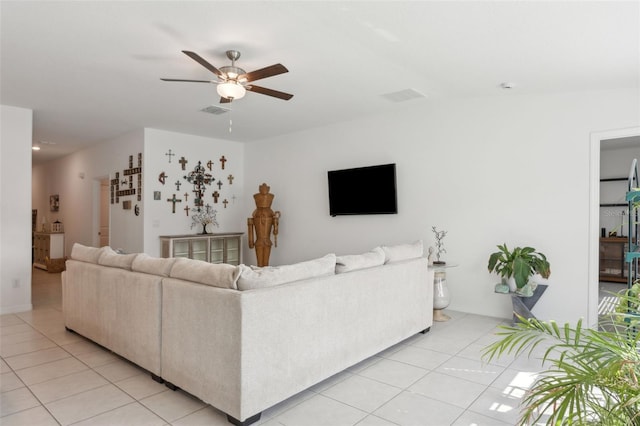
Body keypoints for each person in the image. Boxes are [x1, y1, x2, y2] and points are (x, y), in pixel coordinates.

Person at [247, 183, 281, 266]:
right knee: (259, 263)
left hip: (267, 241)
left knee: (266, 263)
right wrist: (250, 241)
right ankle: (259, 271)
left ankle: (265, 270)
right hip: (258, 241)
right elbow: (250, 227)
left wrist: (276, 223)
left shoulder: (270, 213)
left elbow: (275, 231)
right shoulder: (256, 213)